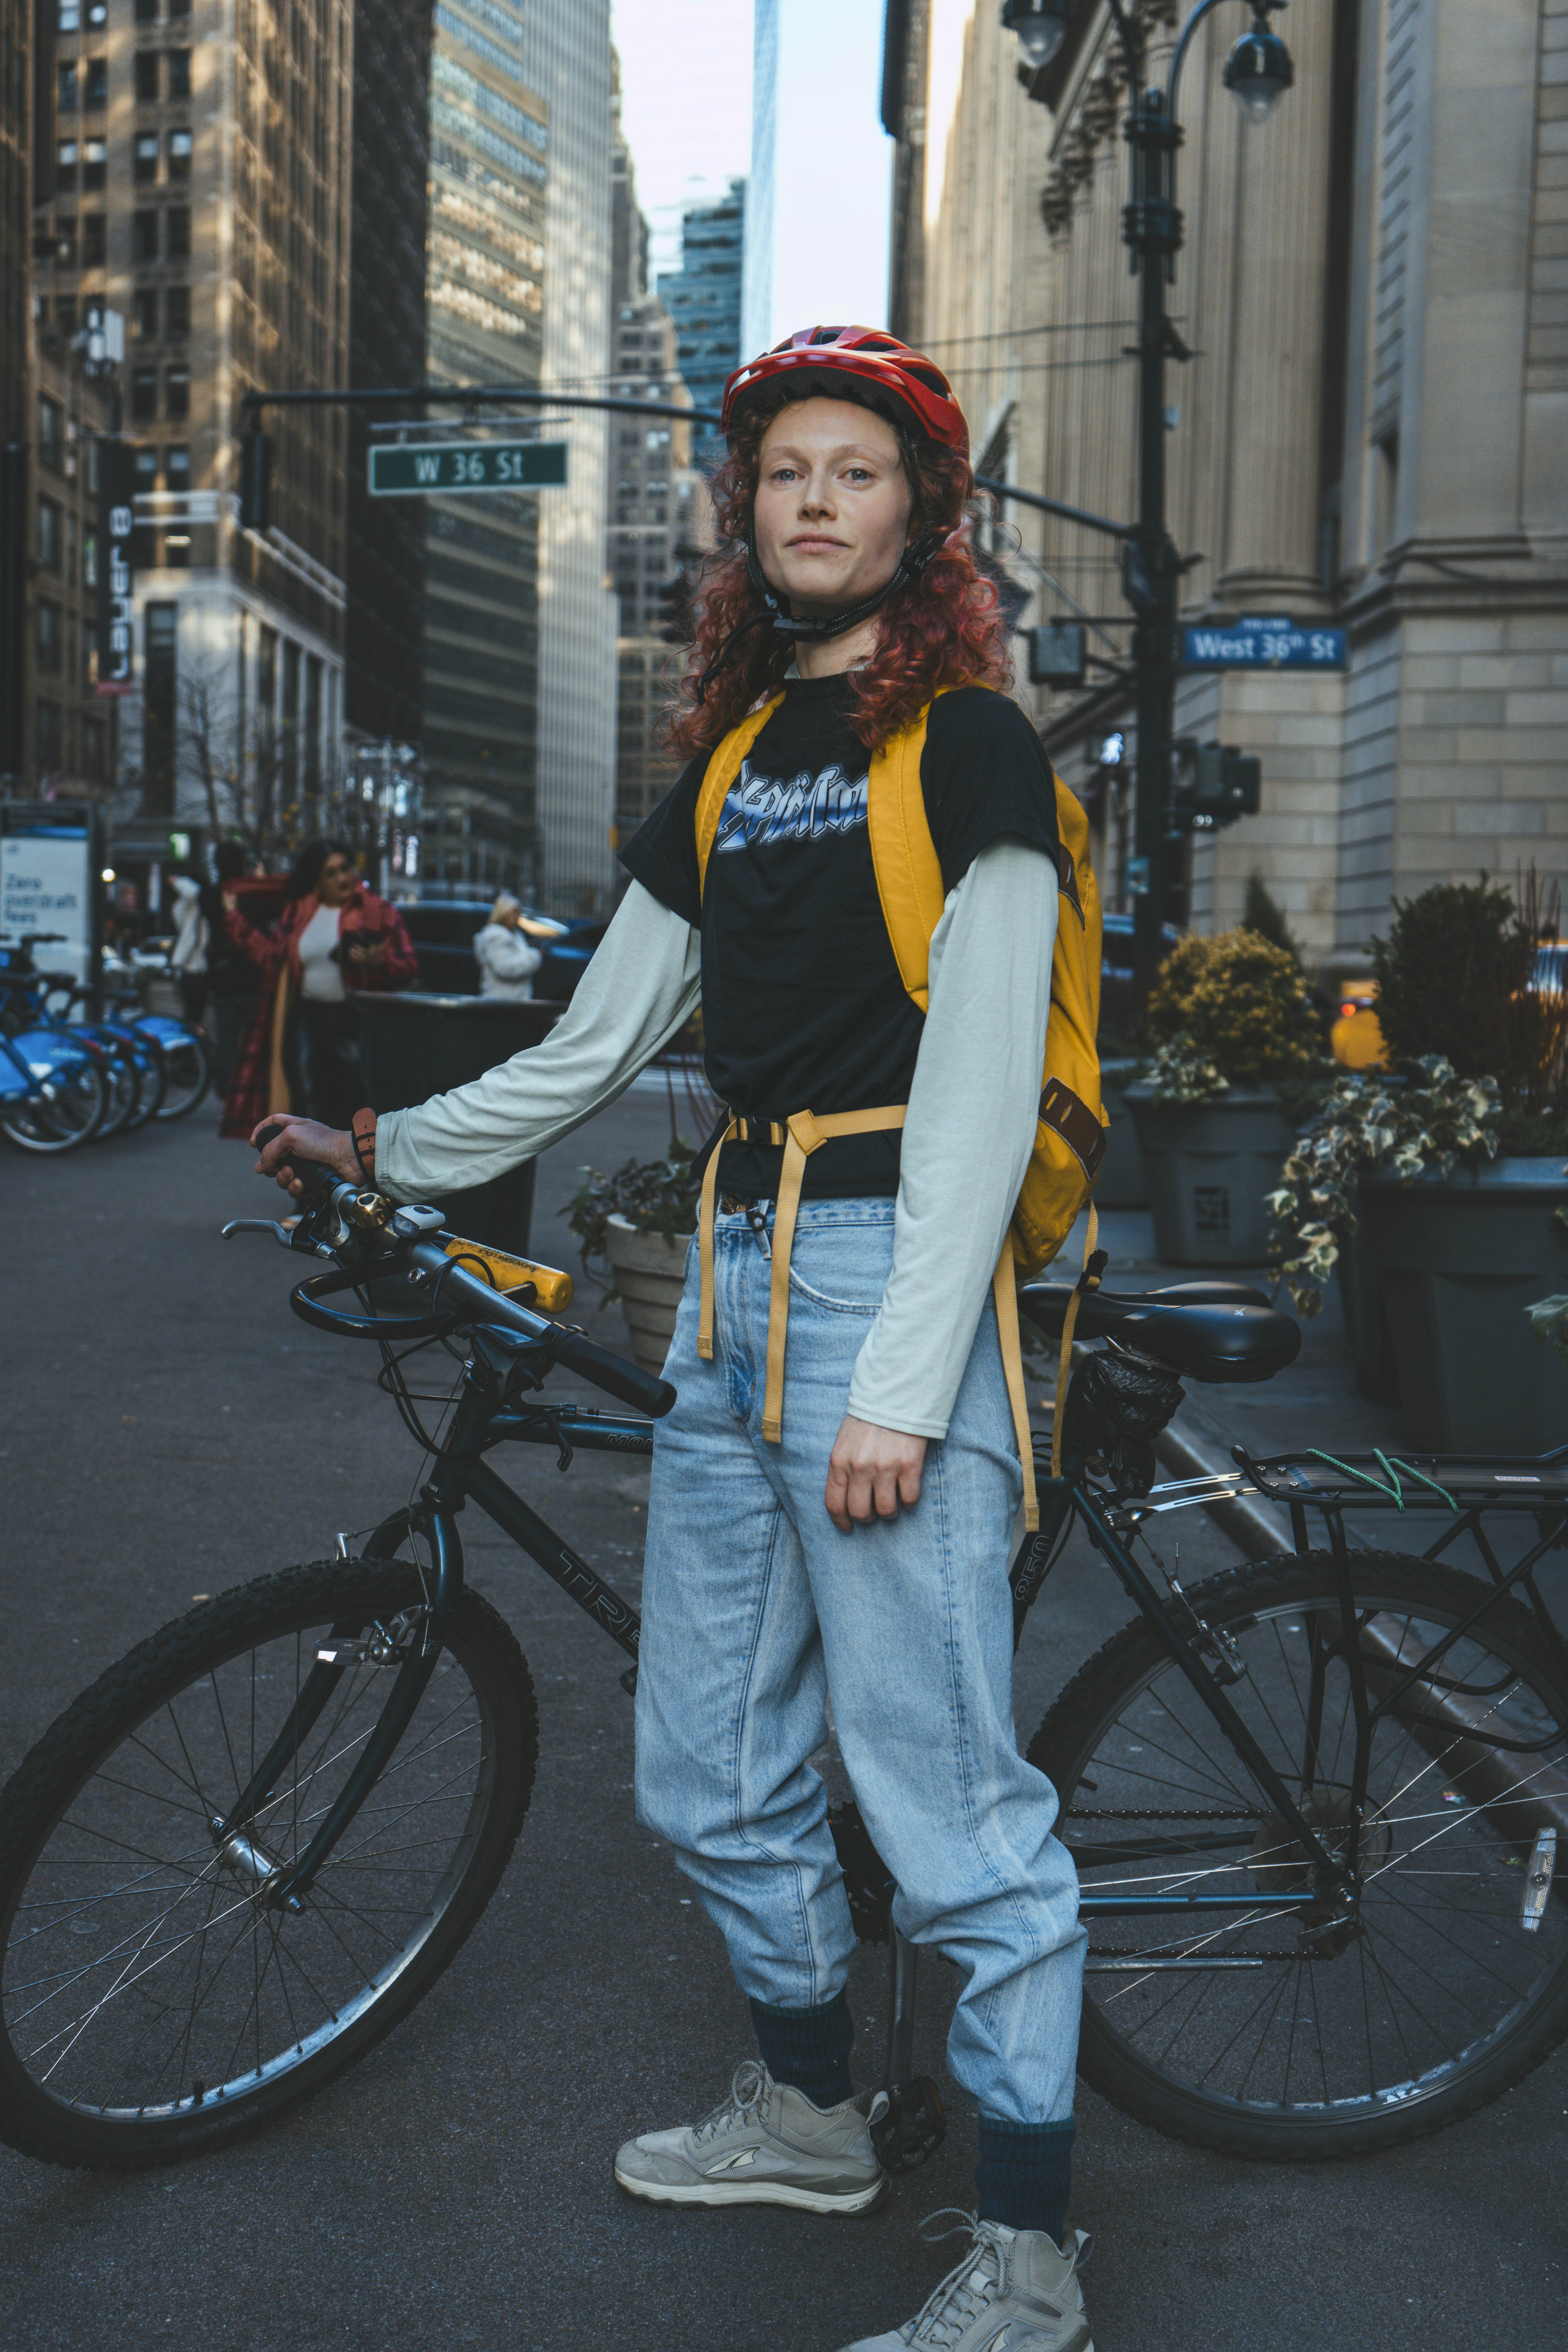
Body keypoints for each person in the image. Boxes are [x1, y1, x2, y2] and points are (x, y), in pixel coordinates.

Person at [253, 327, 1092, 2352]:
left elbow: (980, 1078)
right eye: (785, 470)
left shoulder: (968, 740)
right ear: (749, 514)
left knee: (945, 1797)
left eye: (857, 470)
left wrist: (900, 1384)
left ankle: (1034, 2255)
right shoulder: (726, 767)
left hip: (893, 1267)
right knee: (710, 1763)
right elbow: (597, 1042)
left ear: (922, 513)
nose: (815, 497)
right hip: (732, 1271)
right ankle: (814, 2110)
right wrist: (386, 1142)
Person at [221, 839, 416, 1137]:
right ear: (317, 880)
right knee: (308, 1104)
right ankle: (313, 1179)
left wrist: (380, 961)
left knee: (361, 1111)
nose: (342, 878)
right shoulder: (300, 911)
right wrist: (234, 919)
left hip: (354, 1022)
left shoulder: (377, 912)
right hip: (306, 1017)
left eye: (345, 869)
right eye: (330, 873)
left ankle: (362, 1175)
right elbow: (273, 957)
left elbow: (408, 968)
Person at [199, 842, 265, 1096]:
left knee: (227, 1038)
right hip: (251, 973)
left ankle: (227, 1089)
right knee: (254, 1040)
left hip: (222, 974)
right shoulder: (252, 894)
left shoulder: (209, 895)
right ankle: (251, 1089)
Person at [473, 893, 543, 1000]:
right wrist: (534, 957)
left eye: (519, 912)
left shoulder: (515, 935)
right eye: (514, 912)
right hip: (502, 1001)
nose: (518, 916)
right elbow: (505, 969)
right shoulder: (496, 936)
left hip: (513, 1000)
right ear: (504, 913)